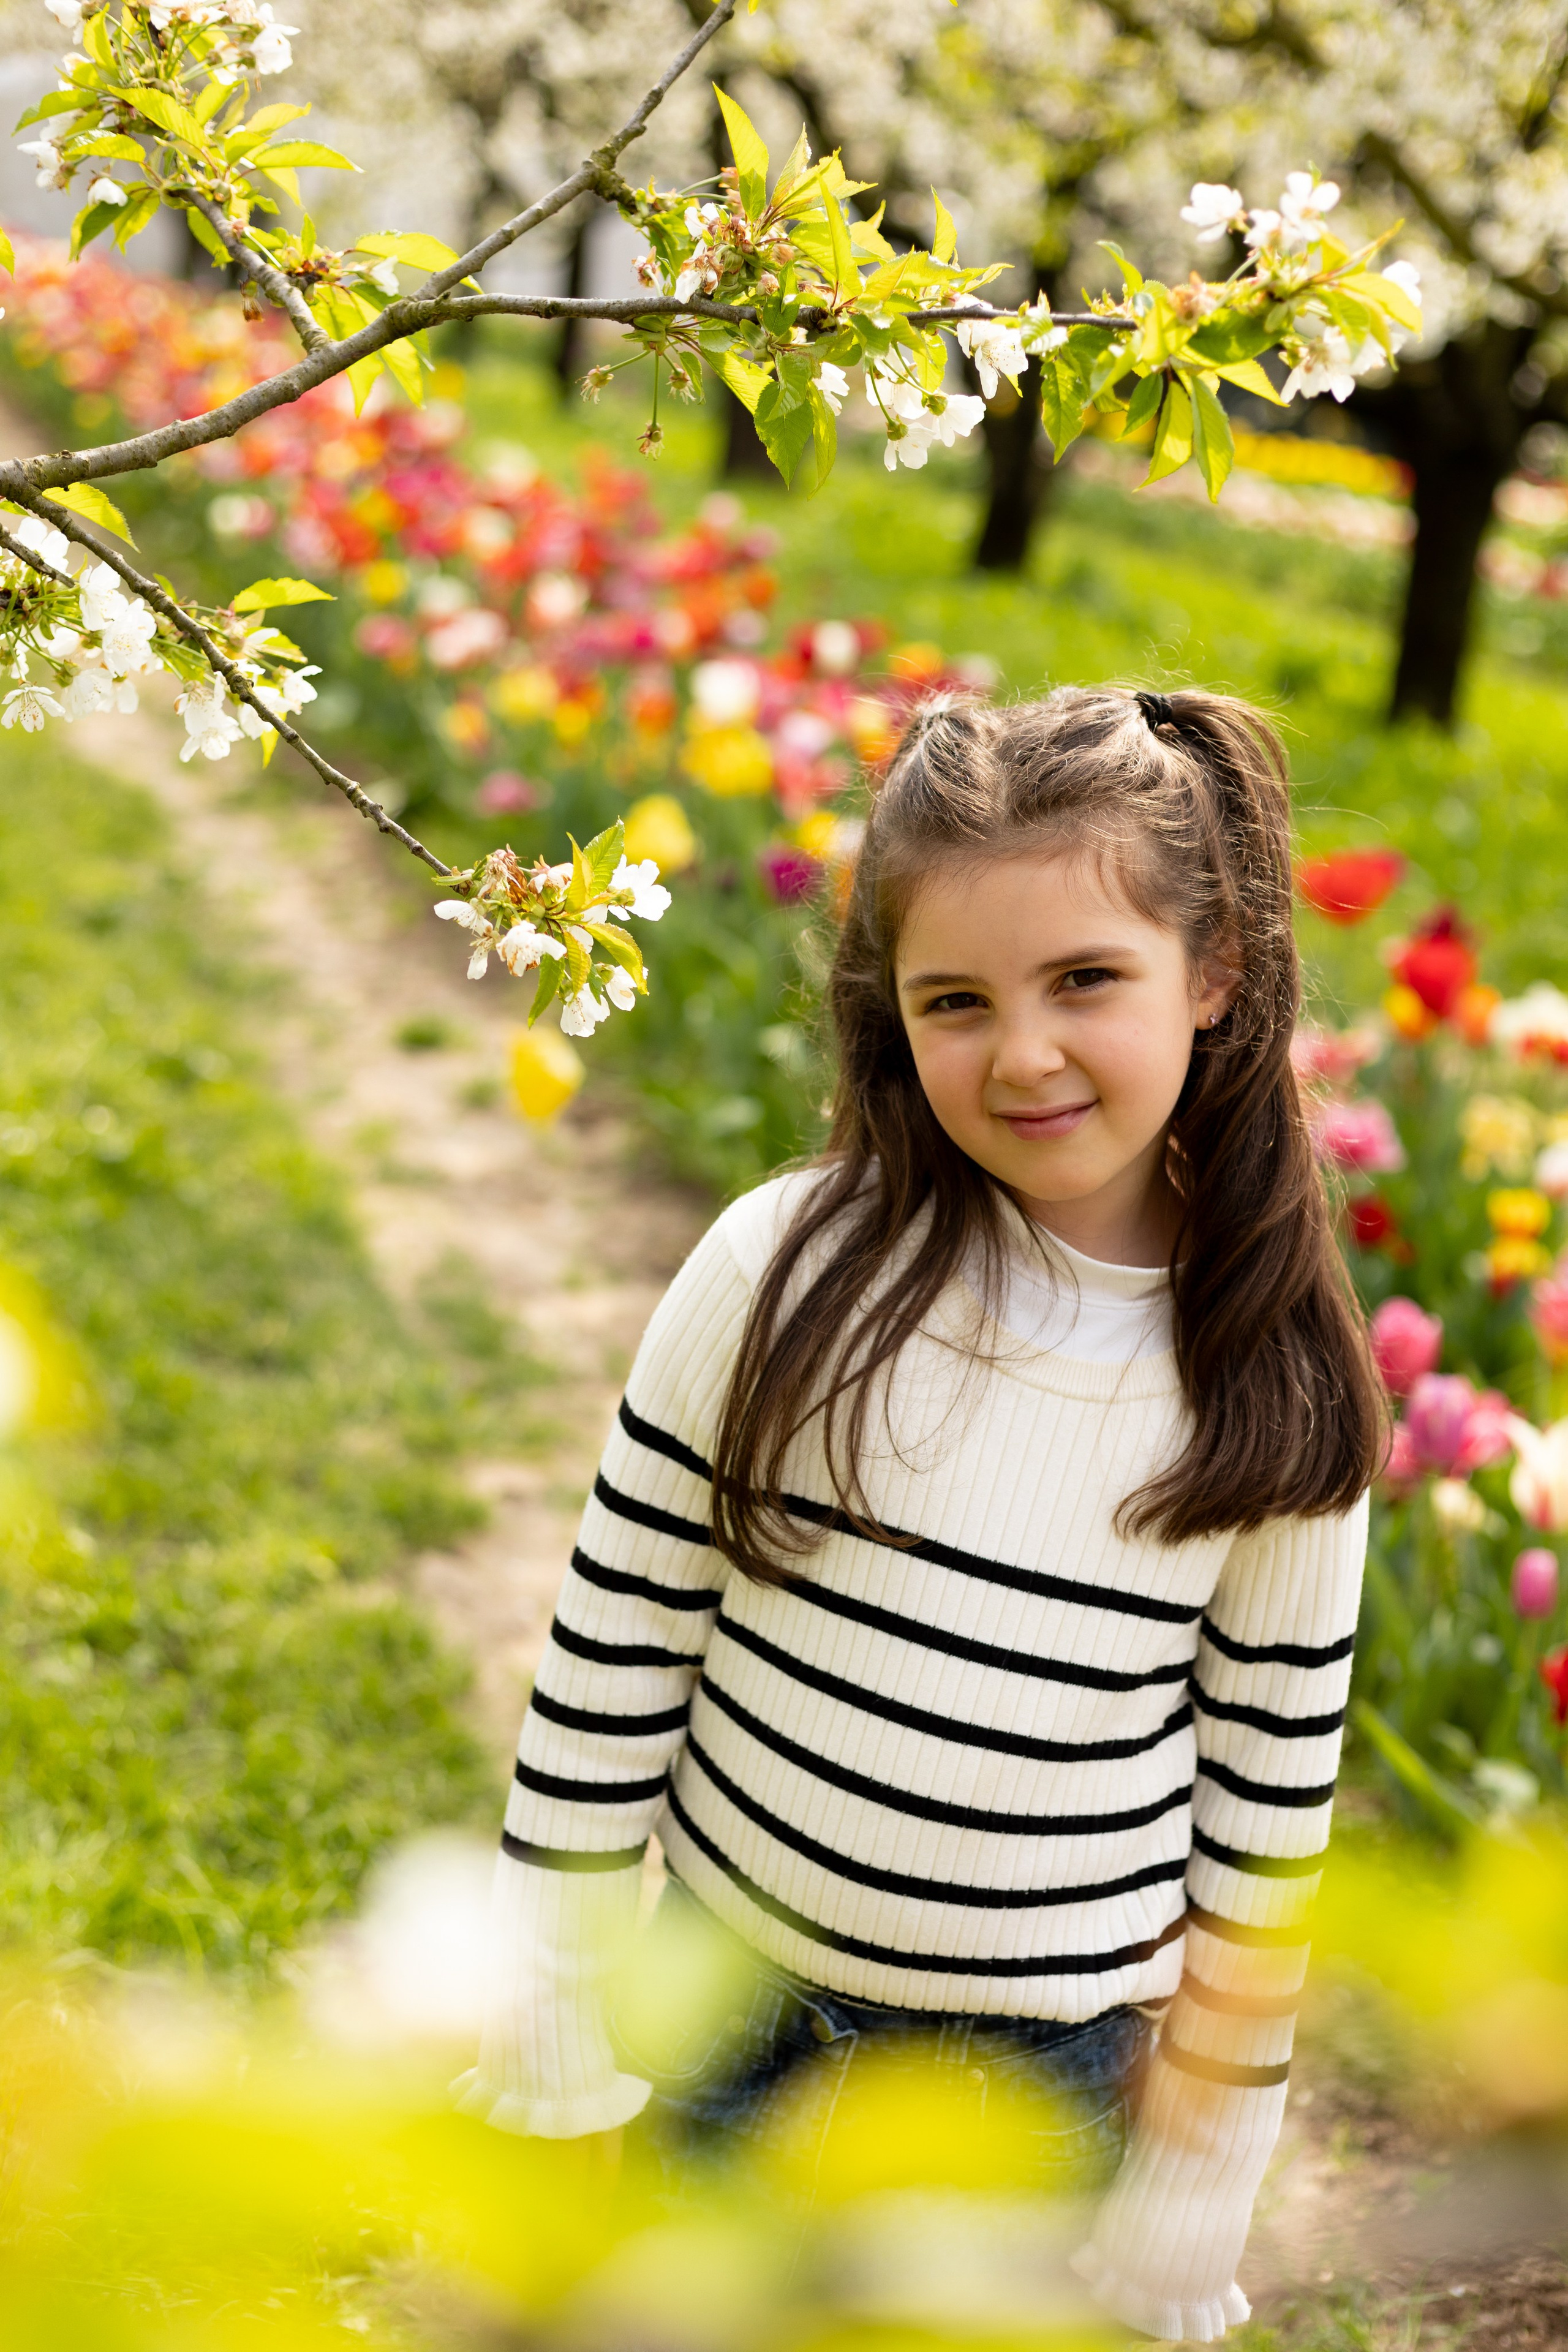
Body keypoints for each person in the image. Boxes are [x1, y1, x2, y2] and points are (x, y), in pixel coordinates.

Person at [454, 686, 1384, 2342]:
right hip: (725, 2019)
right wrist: (558, 2031)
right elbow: (609, 1678)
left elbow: (1263, 1831)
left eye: (1086, 981)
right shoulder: (781, 1270)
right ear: (895, 1016)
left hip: (1034, 2091)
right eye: (957, 1000)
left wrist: (1195, 2184)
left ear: (1217, 974)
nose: (1022, 1052)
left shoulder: (1273, 1380)